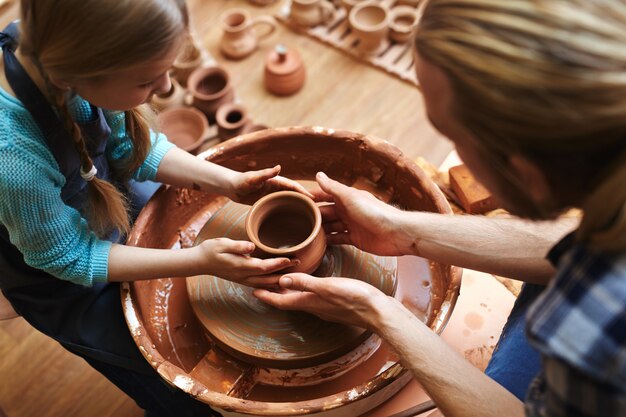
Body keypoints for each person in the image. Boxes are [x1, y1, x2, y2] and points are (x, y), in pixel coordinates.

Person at [254, 1, 626, 416]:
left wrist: (381, 313)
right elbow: (581, 245)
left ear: (525, 173)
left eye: (451, 134)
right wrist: (400, 230)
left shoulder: (597, 324)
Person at [0, 1, 310, 416]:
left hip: (97, 187)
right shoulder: (13, 158)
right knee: (166, 383)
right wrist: (197, 261)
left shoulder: (59, 43)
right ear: (71, 77)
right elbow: (67, 255)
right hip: (61, 271)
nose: (166, 88)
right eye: (147, 80)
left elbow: (130, 149)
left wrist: (228, 181)